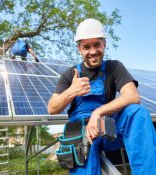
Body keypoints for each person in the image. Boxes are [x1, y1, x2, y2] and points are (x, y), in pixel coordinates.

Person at [48, 18, 156, 175]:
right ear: (79, 49)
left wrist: (98, 113)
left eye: (97, 45)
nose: (92, 51)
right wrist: (72, 91)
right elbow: (52, 108)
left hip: (107, 127)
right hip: (81, 133)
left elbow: (132, 96)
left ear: (104, 44)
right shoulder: (69, 74)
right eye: (86, 47)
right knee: (86, 166)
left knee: (137, 113)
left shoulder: (114, 67)